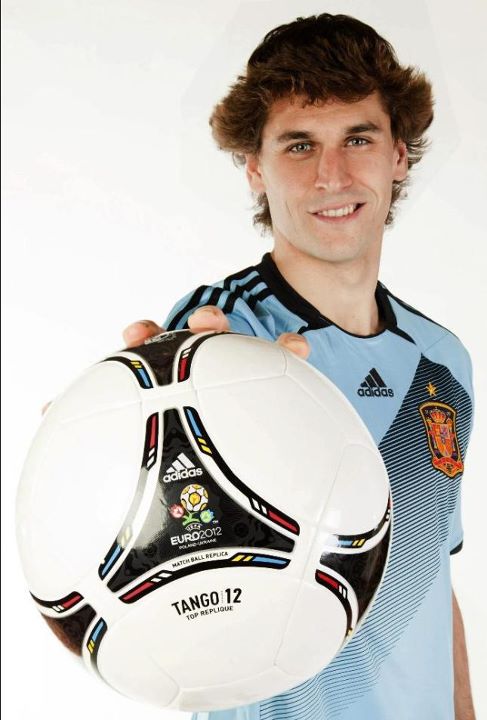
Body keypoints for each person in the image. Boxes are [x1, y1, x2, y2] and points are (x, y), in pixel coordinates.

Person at [123, 14, 476, 720]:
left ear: (398, 156)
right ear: (254, 166)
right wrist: (112, 438)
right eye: (299, 145)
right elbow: (169, 556)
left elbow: (431, 576)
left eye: (358, 139)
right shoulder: (227, 337)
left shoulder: (443, 360)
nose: (331, 175)